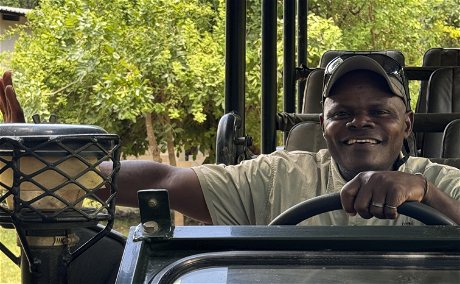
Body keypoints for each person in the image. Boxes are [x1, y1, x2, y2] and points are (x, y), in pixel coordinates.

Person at [1, 55, 459, 226]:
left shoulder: (440, 181)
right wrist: (47, 166)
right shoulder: (280, 176)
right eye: (343, 113)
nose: (361, 122)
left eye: (379, 112)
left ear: (407, 122)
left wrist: (426, 193)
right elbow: (163, 178)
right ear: (324, 125)